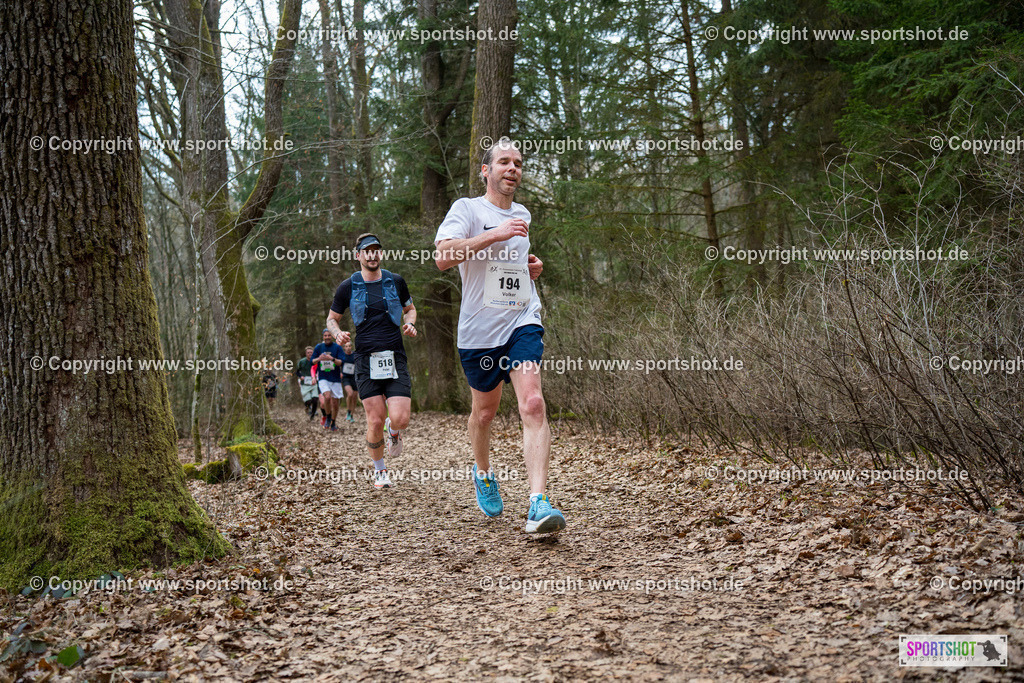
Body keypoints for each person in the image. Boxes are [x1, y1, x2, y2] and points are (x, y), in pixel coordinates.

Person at [434, 137, 565, 534]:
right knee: (485, 413)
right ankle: (484, 473)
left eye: (518, 163)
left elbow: (511, 262)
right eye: (504, 162)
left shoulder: (523, 213)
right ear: (485, 170)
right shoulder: (467, 209)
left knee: (533, 403)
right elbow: (443, 257)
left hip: (522, 319)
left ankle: (538, 503)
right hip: (478, 332)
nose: (513, 168)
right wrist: (495, 234)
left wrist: (531, 266)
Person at [327, 233, 417, 489]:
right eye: (367, 251)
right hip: (365, 359)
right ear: (358, 256)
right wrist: (338, 334)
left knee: (400, 418)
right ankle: (380, 471)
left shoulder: (395, 281)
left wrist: (409, 325)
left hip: (395, 357)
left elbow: (410, 309)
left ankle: (394, 431)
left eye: (376, 250)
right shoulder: (348, 286)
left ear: (381, 254)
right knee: (374, 419)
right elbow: (332, 319)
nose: (372, 254)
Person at [312, 328, 345, 431]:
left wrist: (332, 359)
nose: (327, 337)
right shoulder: (319, 347)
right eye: (325, 335)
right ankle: (328, 417)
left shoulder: (337, 347)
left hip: (335, 378)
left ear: (332, 336)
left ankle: (333, 422)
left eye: (329, 335)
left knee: (335, 402)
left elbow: (342, 362)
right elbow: (312, 361)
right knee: (327, 397)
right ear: (323, 336)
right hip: (323, 377)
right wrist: (319, 359)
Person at [296, 346, 319, 420]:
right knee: (308, 400)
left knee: (315, 399)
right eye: (308, 353)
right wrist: (301, 376)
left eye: (311, 352)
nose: (310, 354)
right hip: (305, 383)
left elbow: (319, 370)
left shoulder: (316, 361)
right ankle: (307, 407)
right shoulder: (302, 361)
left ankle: (312, 414)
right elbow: (297, 371)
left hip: (313, 382)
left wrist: (316, 375)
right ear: (306, 354)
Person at [340, 340, 359, 423]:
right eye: (346, 346)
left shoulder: (355, 355)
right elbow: (338, 365)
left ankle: (351, 415)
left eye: (349, 346)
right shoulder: (342, 355)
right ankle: (348, 412)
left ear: (351, 347)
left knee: (354, 397)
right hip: (345, 377)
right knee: (350, 394)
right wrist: (339, 372)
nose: (348, 348)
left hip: (354, 377)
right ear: (344, 347)